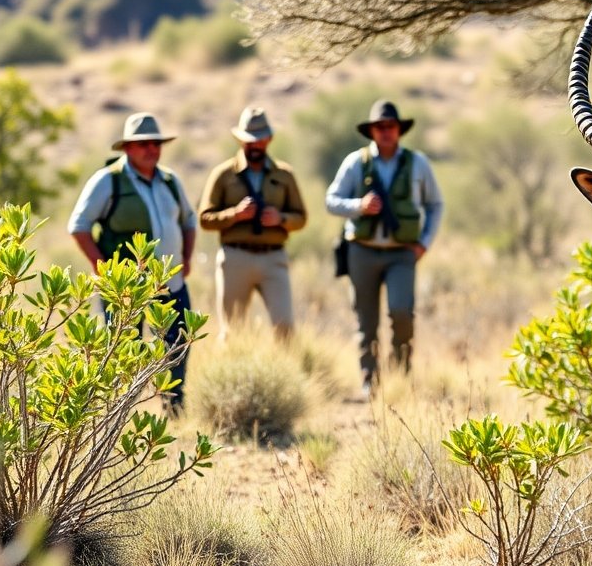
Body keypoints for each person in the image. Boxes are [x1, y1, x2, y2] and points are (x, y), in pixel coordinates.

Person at [67, 112, 197, 412]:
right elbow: (79, 225)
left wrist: (187, 257)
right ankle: (118, 415)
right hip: (125, 290)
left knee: (178, 345)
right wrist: (103, 269)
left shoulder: (170, 180)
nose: (151, 149)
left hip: (171, 284)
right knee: (124, 350)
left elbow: (189, 221)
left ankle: (174, 411)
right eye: (143, 144)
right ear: (127, 148)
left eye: (156, 143)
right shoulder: (107, 181)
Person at [326, 100, 443, 397]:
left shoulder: (418, 163)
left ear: (399, 130)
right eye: (380, 127)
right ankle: (370, 379)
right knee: (366, 320)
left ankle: (401, 375)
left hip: (402, 253)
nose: (386, 131)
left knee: (402, 313)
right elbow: (332, 200)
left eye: (390, 126)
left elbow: (435, 205)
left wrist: (424, 243)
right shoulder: (356, 162)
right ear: (372, 131)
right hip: (361, 251)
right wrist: (359, 206)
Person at [198, 106, 307, 340]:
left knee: (285, 327)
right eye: (249, 141)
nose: (255, 146)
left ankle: (285, 374)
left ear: (268, 139)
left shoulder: (284, 175)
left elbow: (301, 218)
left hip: (274, 258)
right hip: (235, 258)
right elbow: (205, 219)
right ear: (240, 141)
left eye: (259, 140)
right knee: (232, 331)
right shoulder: (224, 174)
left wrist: (281, 219)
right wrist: (235, 215)